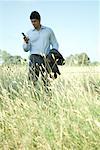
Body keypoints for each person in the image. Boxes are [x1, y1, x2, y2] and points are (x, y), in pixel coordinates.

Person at [23, 11, 59, 85]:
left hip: (46, 59)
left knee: (47, 82)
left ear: (39, 20)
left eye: (35, 21)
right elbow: (26, 49)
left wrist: (52, 55)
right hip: (33, 58)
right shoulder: (29, 33)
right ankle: (32, 96)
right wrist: (26, 43)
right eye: (32, 21)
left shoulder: (48, 31)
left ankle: (47, 96)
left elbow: (55, 44)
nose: (33, 23)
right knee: (32, 82)